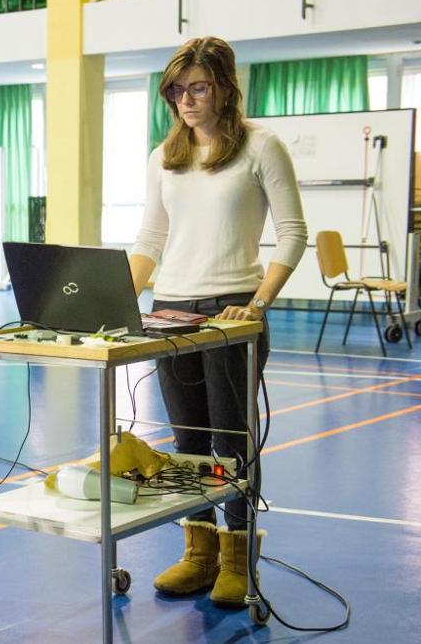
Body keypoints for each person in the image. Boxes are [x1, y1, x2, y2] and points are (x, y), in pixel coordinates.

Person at [129, 37, 307, 608]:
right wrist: (114, 302)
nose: (185, 99)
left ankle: (236, 555)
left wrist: (256, 304)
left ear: (226, 87)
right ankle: (199, 554)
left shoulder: (261, 146)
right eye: (177, 90)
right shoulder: (165, 156)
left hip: (233, 310)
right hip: (169, 312)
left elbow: (293, 232)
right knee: (187, 444)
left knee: (231, 441)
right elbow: (151, 240)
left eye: (197, 87)